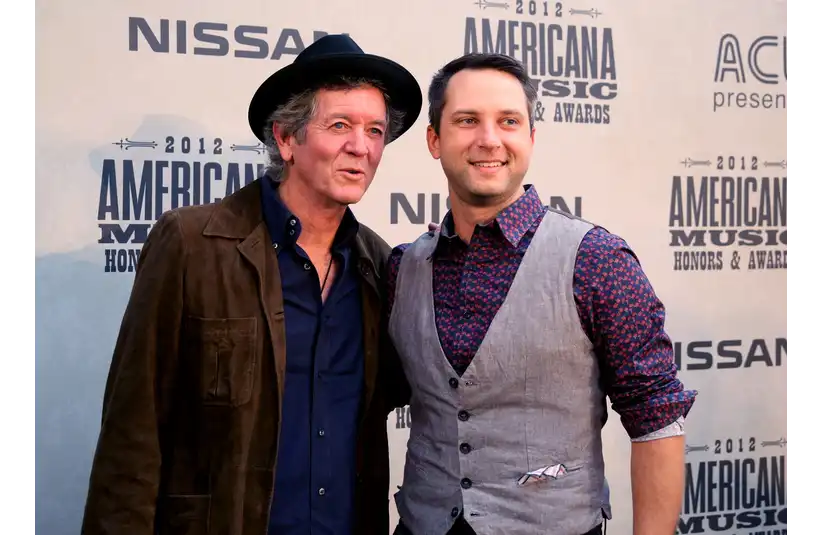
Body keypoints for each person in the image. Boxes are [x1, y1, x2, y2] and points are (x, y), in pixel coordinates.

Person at [80, 34, 422, 535]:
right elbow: (133, 433)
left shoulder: (380, 265)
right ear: (285, 139)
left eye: (375, 130)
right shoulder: (192, 244)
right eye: (340, 125)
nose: (361, 147)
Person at [385, 53, 698, 535]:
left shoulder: (597, 261)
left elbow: (655, 416)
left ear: (530, 138)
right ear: (434, 140)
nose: (489, 139)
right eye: (467, 120)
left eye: (508, 121)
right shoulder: (403, 267)